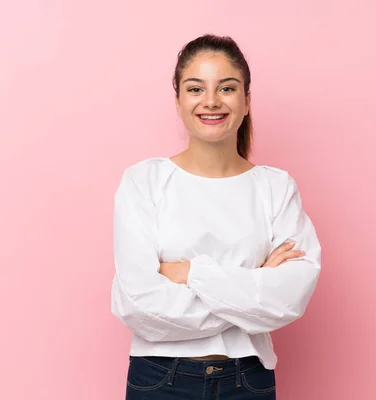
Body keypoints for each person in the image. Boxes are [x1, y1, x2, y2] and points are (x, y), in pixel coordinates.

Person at [110, 34, 322, 400]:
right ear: (178, 100)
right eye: (195, 89)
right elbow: (138, 305)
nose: (211, 101)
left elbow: (289, 298)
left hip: (247, 380)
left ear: (246, 100)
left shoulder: (275, 187)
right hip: (161, 380)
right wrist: (254, 286)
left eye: (226, 87)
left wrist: (190, 273)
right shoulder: (144, 181)